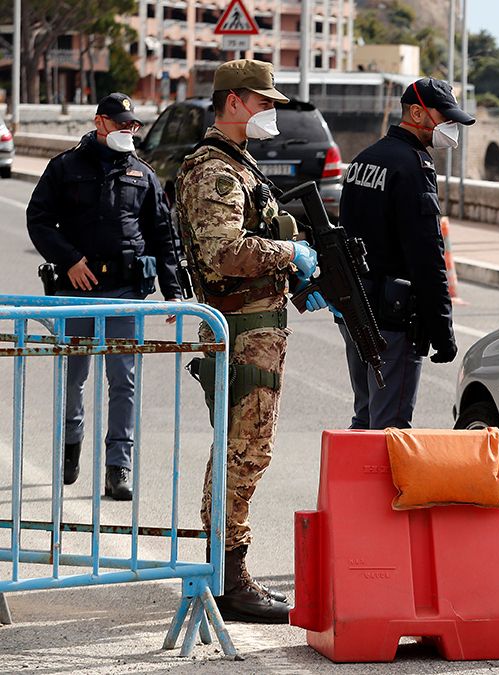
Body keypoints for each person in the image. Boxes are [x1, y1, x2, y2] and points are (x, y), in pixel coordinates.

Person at [174, 59, 329, 623]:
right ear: (234, 102)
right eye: (264, 103)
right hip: (239, 330)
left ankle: (225, 569)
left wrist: (293, 276)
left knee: (244, 450)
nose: (270, 114)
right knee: (245, 451)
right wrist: (291, 254)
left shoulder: (238, 165)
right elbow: (223, 253)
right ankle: (229, 577)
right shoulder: (215, 170)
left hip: (254, 325)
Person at [26, 92, 182, 501]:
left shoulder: (142, 175)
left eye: (133, 126)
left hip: (126, 294)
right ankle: (71, 445)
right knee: (73, 377)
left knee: (123, 383)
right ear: (100, 123)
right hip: (75, 292)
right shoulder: (64, 168)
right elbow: (38, 219)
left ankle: (118, 468)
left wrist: (174, 292)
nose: (128, 132)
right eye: (121, 124)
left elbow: (164, 235)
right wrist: (70, 259)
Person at [336, 77, 473, 429]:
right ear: (416, 112)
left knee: (365, 417)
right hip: (393, 319)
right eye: (445, 119)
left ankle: (352, 485)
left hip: (357, 309)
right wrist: (442, 331)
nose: (450, 128)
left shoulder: (364, 160)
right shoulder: (413, 167)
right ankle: (375, 486)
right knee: (389, 429)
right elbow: (426, 256)